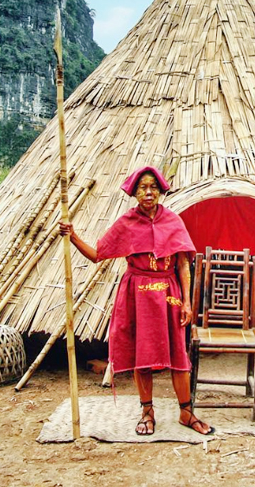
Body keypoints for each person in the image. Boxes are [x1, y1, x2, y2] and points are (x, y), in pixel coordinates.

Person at [59, 166, 213, 437]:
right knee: (143, 356)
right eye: (143, 187)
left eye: (153, 186)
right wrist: (73, 237)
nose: (149, 192)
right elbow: (97, 255)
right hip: (137, 296)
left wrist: (187, 302)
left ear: (161, 190)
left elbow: (184, 266)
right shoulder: (127, 223)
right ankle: (147, 412)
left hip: (170, 295)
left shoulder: (173, 221)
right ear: (134, 192)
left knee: (178, 354)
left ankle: (186, 412)